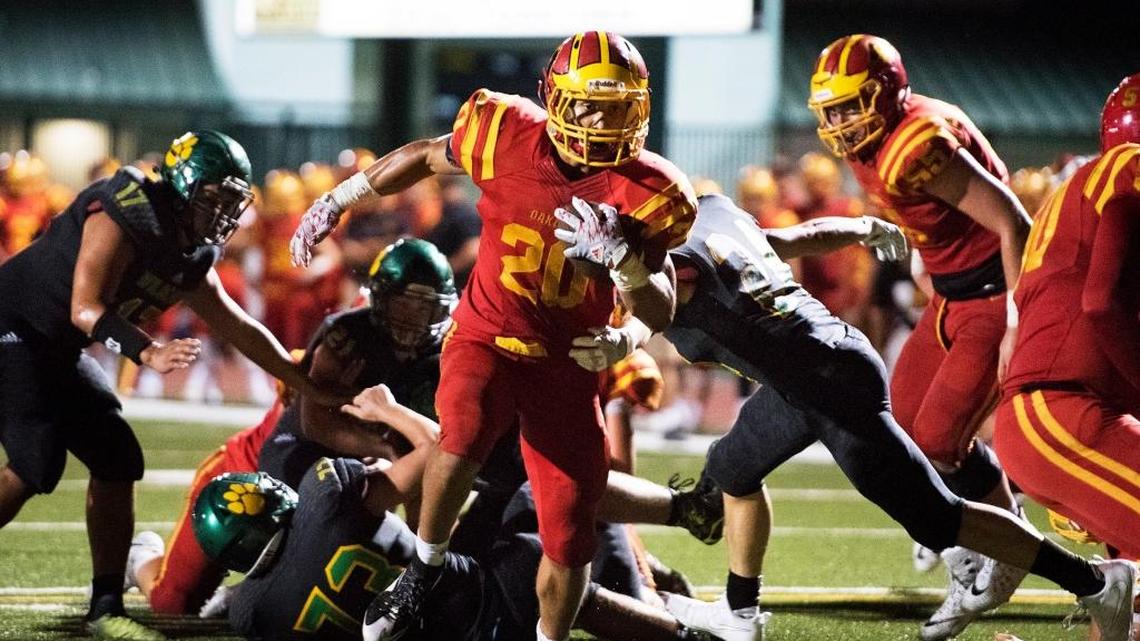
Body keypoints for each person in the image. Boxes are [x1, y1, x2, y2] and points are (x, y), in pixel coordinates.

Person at [289, 31, 696, 641]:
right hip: (488, 333)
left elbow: (660, 299)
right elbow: (428, 155)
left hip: (567, 363)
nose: (598, 121)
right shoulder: (505, 132)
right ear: (554, 98)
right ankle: (421, 571)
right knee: (464, 427)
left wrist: (628, 321)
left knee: (567, 531)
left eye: (615, 108)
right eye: (587, 103)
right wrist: (342, 197)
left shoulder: (651, 191)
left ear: (637, 109)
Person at [581, 194, 1136, 641]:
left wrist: (621, 335)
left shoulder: (668, 269)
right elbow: (798, 238)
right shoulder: (712, 212)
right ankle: (739, 614)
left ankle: (1094, 583)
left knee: (939, 519)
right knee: (731, 467)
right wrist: (864, 228)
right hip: (810, 372)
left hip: (827, 384)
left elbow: (656, 307)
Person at [0, 130, 337, 640]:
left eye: (232, 201)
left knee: (117, 458)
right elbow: (85, 307)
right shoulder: (126, 208)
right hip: (15, 329)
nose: (224, 212)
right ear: (183, 185)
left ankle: (106, 606)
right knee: (36, 461)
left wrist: (304, 382)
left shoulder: (189, 256)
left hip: (55, 346)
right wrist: (147, 350)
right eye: (215, 197)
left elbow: (239, 326)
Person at [806, 34, 1037, 620]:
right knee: (902, 431)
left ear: (884, 95)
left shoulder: (915, 144)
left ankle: (1007, 542)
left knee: (938, 444)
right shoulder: (878, 140)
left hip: (989, 298)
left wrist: (1018, 316)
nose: (837, 122)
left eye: (848, 106)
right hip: (948, 300)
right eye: (829, 109)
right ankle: (984, 526)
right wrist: (921, 256)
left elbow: (1013, 219)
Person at [993, 73, 1140, 563]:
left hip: (1063, 413)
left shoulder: (1082, 189)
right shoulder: (1130, 169)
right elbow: (1101, 302)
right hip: (1065, 411)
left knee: (1125, 582)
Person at [260, 238, 453, 490]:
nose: (412, 317)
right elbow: (315, 422)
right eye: (403, 304)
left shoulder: (444, 352)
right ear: (382, 298)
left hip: (379, 454)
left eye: (423, 308)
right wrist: (383, 449)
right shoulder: (349, 335)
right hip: (305, 450)